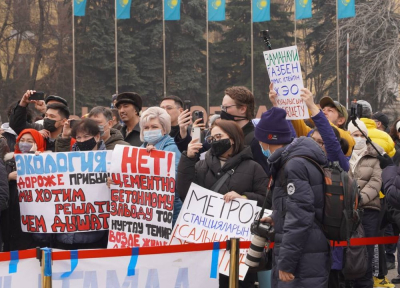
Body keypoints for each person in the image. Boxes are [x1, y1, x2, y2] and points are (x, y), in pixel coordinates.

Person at [177, 119, 267, 288]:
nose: (215, 141)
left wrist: (245, 198)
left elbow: (267, 202)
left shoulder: (253, 167)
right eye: (211, 138)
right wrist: (187, 158)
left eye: (219, 136)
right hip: (206, 249)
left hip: (238, 251)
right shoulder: (200, 165)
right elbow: (185, 193)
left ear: (232, 138)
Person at [257, 107, 330, 288]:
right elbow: (297, 206)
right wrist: (276, 217)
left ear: (269, 139)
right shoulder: (291, 161)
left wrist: (287, 262)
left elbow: (300, 216)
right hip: (304, 252)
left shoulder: (294, 165)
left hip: (303, 258)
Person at [176, 86, 268, 172]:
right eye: (222, 107)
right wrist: (183, 132)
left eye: (226, 107)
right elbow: (197, 154)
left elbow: (263, 177)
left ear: (243, 109)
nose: (222, 111)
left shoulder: (256, 139)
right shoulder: (217, 134)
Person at [55, 119, 107, 250]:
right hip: (64, 233)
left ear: (97, 136)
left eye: (86, 136)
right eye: (78, 137)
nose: (82, 140)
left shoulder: (110, 161)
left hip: (94, 235)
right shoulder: (67, 160)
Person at [269, 83, 355, 157]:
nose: (324, 112)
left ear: (341, 120)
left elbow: (327, 129)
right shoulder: (311, 133)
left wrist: (312, 107)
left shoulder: (348, 139)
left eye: (330, 110)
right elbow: (294, 119)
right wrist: (282, 103)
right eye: (323, 110)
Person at [347, 119, 383, 287]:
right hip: (345, 210)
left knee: (366, 255)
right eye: (355, 135)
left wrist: (359, 198)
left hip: (368, 209)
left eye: (362, 135)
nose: (359, 138)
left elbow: (376, 181)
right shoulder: (343, 154)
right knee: (347, 254)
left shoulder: (375, 154)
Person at [2, 129, 45, 251]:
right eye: (22, 140)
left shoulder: (46, 160)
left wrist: (30, 158)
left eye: (30, 141)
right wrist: (9, 177)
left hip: (35, 219)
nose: (24, 143)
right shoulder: (9, 162)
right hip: (12, 215)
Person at [139, 107, 183, 226]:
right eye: (146, 127)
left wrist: (155, 158)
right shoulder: (138, 151)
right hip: (145, 213)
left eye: (154, 127)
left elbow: (174, 182)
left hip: (169, 214)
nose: (149, 130)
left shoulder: (174, 148)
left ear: (164, 129)